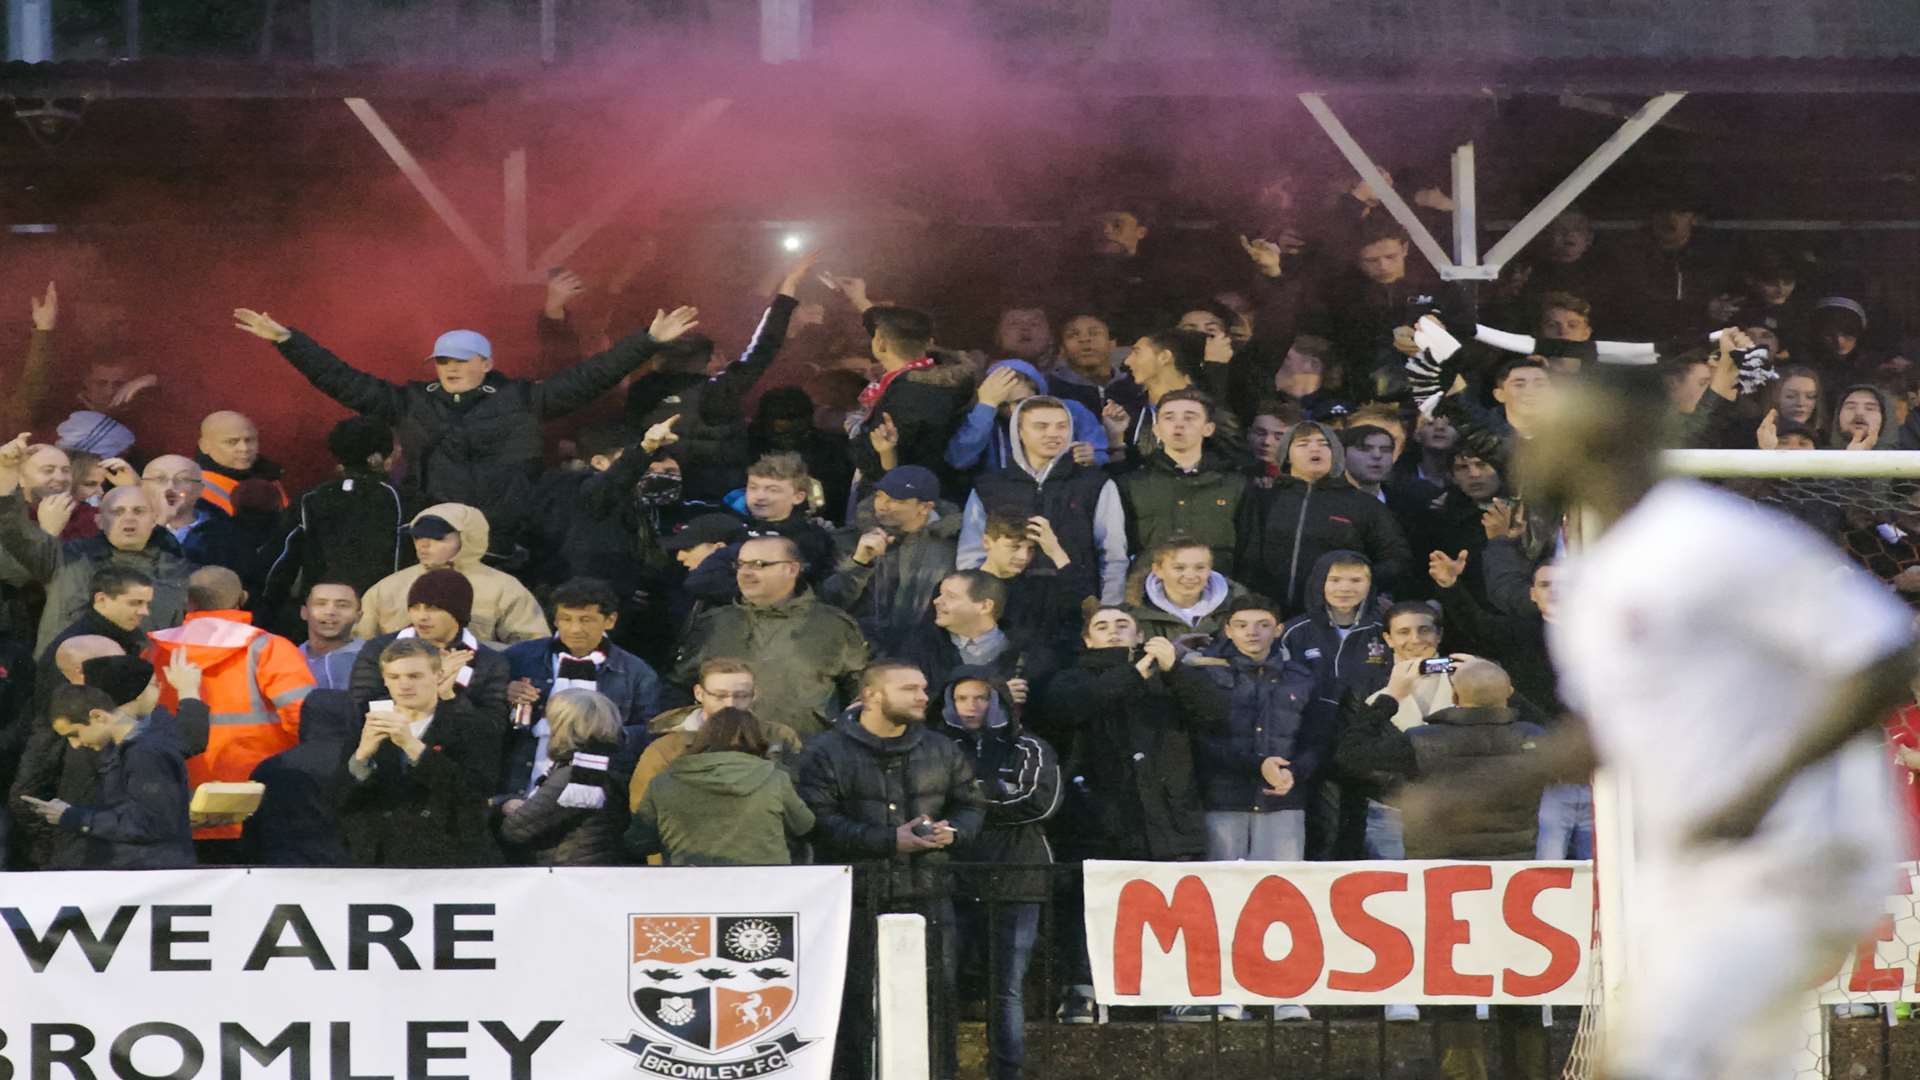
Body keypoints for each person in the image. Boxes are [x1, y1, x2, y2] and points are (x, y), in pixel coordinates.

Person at [1413, 363, 1920, 1080]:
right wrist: (1484, 788)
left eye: (1555, 424)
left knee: (1643, 1063)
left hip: (1793, 846)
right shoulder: (1598, 575)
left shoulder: (1712, 539)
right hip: (1711, 861)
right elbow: (1610, 730)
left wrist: (1760, 789)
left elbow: (1884, 656)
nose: (1532, 441)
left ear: (1606, 440)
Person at [234, 301, 699, 559]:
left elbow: (589, 377)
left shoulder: (522, 399)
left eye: (459, 361)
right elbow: (341, 379)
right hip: (436, 537)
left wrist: (648, 342)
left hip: (511, 538)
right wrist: (289, 342)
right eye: (442, 361)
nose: (449, 368)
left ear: (486, 364)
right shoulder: (411, 401)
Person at [795, 661, 983, 1080]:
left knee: (937, 1002)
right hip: (857, 897)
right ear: (872, 695)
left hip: (930, 892)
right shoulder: (825, 751)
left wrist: (956, 832)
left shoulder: (941, 747)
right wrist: (887, 840)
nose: (923, 697)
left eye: (923, 687)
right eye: (910, 689)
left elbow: (971, 803)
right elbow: (815, 819)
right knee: (854, 1005)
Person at [1038, 605, 1207, 1023]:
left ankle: (1174, 990)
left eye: (1122, 626)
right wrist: (1135, 672)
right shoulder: (1070, 677)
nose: (1113, 633)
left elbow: (1213, 713)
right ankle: (1083, 989)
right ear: (1087, 639)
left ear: (1139, 635)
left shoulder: (1167, 677)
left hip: (1163, 812)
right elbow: (1075, 705)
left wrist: (1177, 671)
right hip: (1095, 812)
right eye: (1102, 626)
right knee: (1090, 905)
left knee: (1166, 905)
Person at [937, 666, 1061, 1080]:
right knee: (944, 981)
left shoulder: (1029, 746)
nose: (972, 707)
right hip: (954, 875)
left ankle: (1007, 1072)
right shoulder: (934, 745)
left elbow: (1038, 802)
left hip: (1016, 875)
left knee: (1006, 987)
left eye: (981, 697)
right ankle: (941, 1068)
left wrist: (966, 805)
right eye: (962, 699)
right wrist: (992, 794)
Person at [147, 566, 313, 850]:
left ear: (188, 602)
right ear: (243, 597)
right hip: (258, 805)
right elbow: (307, 721)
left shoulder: (154, 650)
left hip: (176, 809)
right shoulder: (270, 648)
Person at [0, 439, 191, 653]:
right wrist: (47, 534)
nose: (128, 519)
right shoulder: (70, 555)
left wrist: (136, 489)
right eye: (117, 512)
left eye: (139, 512)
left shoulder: (173, 567)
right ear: (100, 520)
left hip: (139, 674)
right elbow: (17, 563)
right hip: (62, 670)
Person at [674, 535, 869, 740]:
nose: (746, 573)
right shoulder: (714, 624)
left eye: (759, 565)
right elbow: (679, 685)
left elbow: (860, 690)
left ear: (792, 569)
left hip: (804, 754)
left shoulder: (832, 624)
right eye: (740, 565)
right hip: (725, 754)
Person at [340, 638, 503, 867]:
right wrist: (361, 758)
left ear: (438, 676)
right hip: (380, 861)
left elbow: (474, 794)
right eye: (394, 677)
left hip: (451, 859)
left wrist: (414, 748)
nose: (404, 685)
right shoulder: (367, 723)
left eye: (414, 676)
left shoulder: (470, 724)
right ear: (385, 680)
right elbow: (339, 802)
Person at [958, 396, 1129, 606]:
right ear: (1019, 432)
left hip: (1076, 605)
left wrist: (1109, 608)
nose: (1053, 434)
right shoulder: (989, 487)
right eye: (1041, 426)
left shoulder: (1095, 483)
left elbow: (1113, 555)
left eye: (1062, 426)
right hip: (1006, 605)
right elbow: (971, 554)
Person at [502, 578, 661, 796]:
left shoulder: (637, 673)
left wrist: (604, 735)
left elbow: (650, 732)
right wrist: (503, 691)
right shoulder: (519, 657)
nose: (575, 629)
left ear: (610, 620)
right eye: (566, 619)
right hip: (519, 778)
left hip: (595, 786)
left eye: (586, 620)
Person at [23, 672, 195, 869]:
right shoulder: (130, 750)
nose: (76, 744)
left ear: (98, 716)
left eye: (75, 734)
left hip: (151, 875)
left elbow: (150, 824)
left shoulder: (143, 754)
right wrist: (69, 812)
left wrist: (73, 816)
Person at [1237, 420, 1410, 616]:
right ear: (1287, 455)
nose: (1315, 449)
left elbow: (1397, 559)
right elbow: (1244, 555)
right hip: (1267, 615)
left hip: (1336, 616)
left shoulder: (1363, 504)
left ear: (1336, 453)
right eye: (1303, 444)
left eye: (1324, 444)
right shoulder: (1264, 499)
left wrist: (1356, 582)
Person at [625, 705, 813, 866]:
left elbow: (639, 842)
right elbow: (804, 826)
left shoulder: (663, 782)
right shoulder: (774, 778)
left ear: (703, 737)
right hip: (763, 890)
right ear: (756, 738)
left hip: (689, 887)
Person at [260, 415, 405, 618]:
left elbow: (280, 560)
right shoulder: (403, 499)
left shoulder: (310, 499)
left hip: (323, 614)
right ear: (378, 457)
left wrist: (267, 609)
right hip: (384, 616)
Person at [356, 504, 551, 645]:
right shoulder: (387, 587)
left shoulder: (505, 588)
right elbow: (359, 642)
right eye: (418, 537)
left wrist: (480, 656)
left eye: (437, 538)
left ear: (467, 538)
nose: (423, 545)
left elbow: (533, 646)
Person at [627, 658, 803, 815]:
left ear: (754, 695)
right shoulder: (666, 746)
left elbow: (799, 801)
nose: (730, 704)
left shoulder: (779, 736)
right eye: (720, 696)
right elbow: (643, 809)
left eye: (741, 696)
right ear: (699, 694)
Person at [347, 568, 511, 736]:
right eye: (415, 607)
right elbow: (360, 708)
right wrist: (430, 685)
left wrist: (449, 694)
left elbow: (492, 727)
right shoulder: (380, 648)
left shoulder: (488, 661)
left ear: (457, 612)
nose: (422, 617)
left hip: (454, 755)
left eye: (433, 608)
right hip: (388, 749)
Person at [822, 466, 962, 651]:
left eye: (895, 500)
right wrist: (859, 563)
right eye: (879, 495)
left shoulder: (953, 547)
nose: (882, 505)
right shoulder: (848, 540)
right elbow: (828, 603)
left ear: (925, 507)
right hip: (858, 650)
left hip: (924, 654)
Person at [1118, 389, 1247, 574]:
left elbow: (1249, 549)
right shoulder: (1132, 483)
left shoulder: (1235, 484)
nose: (1179, 424)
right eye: (1169, 417)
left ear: (1208, 428)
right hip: (1148, 590)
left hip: (1219, 590)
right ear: (1156, 429)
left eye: (1190, 417)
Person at [498, 688, 631, 865]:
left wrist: (503, 805)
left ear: (563, 725)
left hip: (568, 876)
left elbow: (515, 830)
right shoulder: (603, 764)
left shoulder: (581, 776)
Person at [896, 571, 1055, 715]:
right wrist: (993, 697)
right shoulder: (920, 647)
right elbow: (907, 702)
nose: (937, 601)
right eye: (939, 594)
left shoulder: (1031, 654)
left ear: (985, 606)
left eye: (950, 596)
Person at [242, 688, 360, 867]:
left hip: (283, 866)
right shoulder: (363, 763)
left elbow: (252, 831)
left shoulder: (271, 767)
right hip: (351, 868)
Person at [944, 358, 1107, 475]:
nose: (1012, 411)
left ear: (1038, 393)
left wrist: (1092, 457)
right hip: (1004, 503)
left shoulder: (1070, 410)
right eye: (1002, 405)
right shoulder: (985, 419)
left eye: (1021, 402)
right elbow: (959, 459)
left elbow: (1102, 453)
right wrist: (986, 406)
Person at [1125, 535, 1247, 642]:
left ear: (1210, 568)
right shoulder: (1134, 612)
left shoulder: (1237, 605)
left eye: (1200, 567)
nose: (1190, 576)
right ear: (1158, 570)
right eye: (1179, 568)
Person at [195, 410, 286, 517]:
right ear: (205, 446)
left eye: (249, 440)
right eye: (232, 442)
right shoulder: (191, 489)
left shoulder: (269, 477)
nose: (244, 448)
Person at [298, 580, 364, 690]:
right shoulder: (286, 659)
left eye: (342, 605)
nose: (330, 612)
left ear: (359, 616)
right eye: (320, 604)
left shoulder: (374, 658)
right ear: (304, 612)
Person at [140, 455, 208, 546]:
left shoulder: (222, 531)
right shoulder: (128, 525)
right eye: (160, 479)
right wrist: (162, 520)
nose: (170, 487)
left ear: (199, 490)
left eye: (183, 479)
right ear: (142, 487)